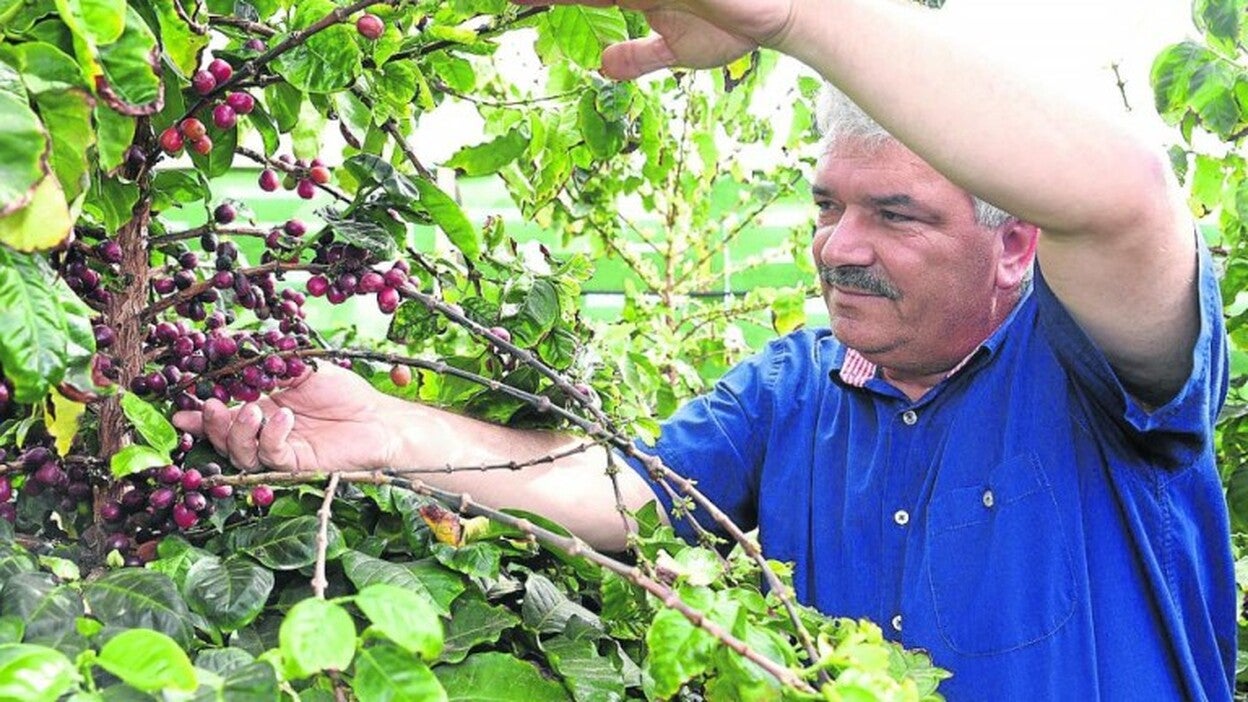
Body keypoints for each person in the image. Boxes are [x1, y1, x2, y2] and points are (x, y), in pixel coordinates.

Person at [173, 0, 1236, 698]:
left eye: (897, 215)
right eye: (826, 204)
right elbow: (616, 494)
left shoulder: (1095, 367)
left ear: (1015, 244)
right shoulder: (793, 386)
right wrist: (383, 431)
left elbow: (1129, 201)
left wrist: (797, 16)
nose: (838, 246)